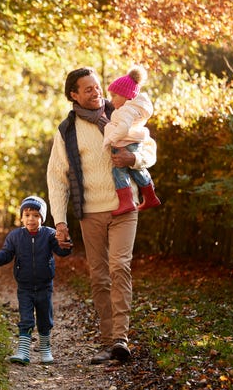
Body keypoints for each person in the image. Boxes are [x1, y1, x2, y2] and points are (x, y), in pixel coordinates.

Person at [46, 66, 157, 364]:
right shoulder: (66, 131)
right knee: (99, 277)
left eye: (98, 87)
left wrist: (134, 158)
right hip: (90, 213)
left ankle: (121, 339)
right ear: (74, 95)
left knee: (119, 266)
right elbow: (57, 177)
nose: (96, 93)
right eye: (88, 89)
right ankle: (109, 341)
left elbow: (150, 147)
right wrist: (60, 221)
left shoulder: (122, 112)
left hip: (125, 208)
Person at [0, 196, 71, 365]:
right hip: (25, 287)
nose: (31, 219)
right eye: (27, 215)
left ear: (42, 219)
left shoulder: (49, 234)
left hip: (45, 286)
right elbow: (7, 253)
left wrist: (65, 242)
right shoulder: (15, 236)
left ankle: (45, 350)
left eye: (36, 215)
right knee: (26, 319)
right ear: (22, 217)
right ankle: (23, 352)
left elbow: (62, 250)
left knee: (45, 318)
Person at [102, 65, 161, 215]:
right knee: (136, 171)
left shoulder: (126, 110)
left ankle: (127, 201)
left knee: (118, 171)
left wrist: (110, 139)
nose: (111, 99)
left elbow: (123, 128)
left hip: (124, 142)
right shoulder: (133, 108)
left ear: (127, 95)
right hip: (131, 142)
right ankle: (150, 196)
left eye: (115, 95)